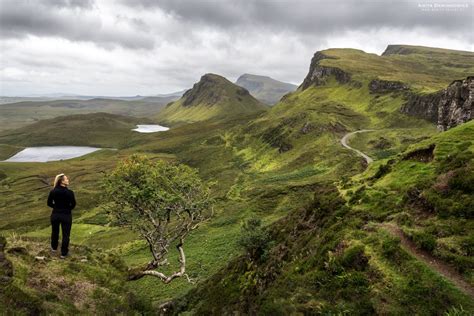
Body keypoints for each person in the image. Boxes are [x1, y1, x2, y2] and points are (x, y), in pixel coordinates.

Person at [47, 173, 76, 259]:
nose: (68, 180)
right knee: (66, 235)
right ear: (62, 181)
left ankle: (54, 248)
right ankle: (63, 253)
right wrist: (67, 209)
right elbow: (73, 204)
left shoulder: (53, 191)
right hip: (66, 215)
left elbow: (49, 203)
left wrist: (56, 207)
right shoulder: (70, 192)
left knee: (55, 232)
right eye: (66, 179)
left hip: (55, 214)